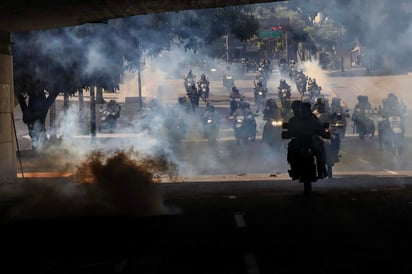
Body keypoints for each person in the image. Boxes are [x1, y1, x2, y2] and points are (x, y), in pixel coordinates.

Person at [286, 100, 327, 179]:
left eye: (307, 109)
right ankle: (294, 170)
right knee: (291, 149)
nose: (305, 111)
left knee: (321, 149)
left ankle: (321, 170)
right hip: (299, 141)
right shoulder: (294, 119)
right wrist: (288, 134)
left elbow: (320, 127)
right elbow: (289, 131)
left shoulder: (313, 118)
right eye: (304, 109)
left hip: (312, 140)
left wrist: (323, 133)